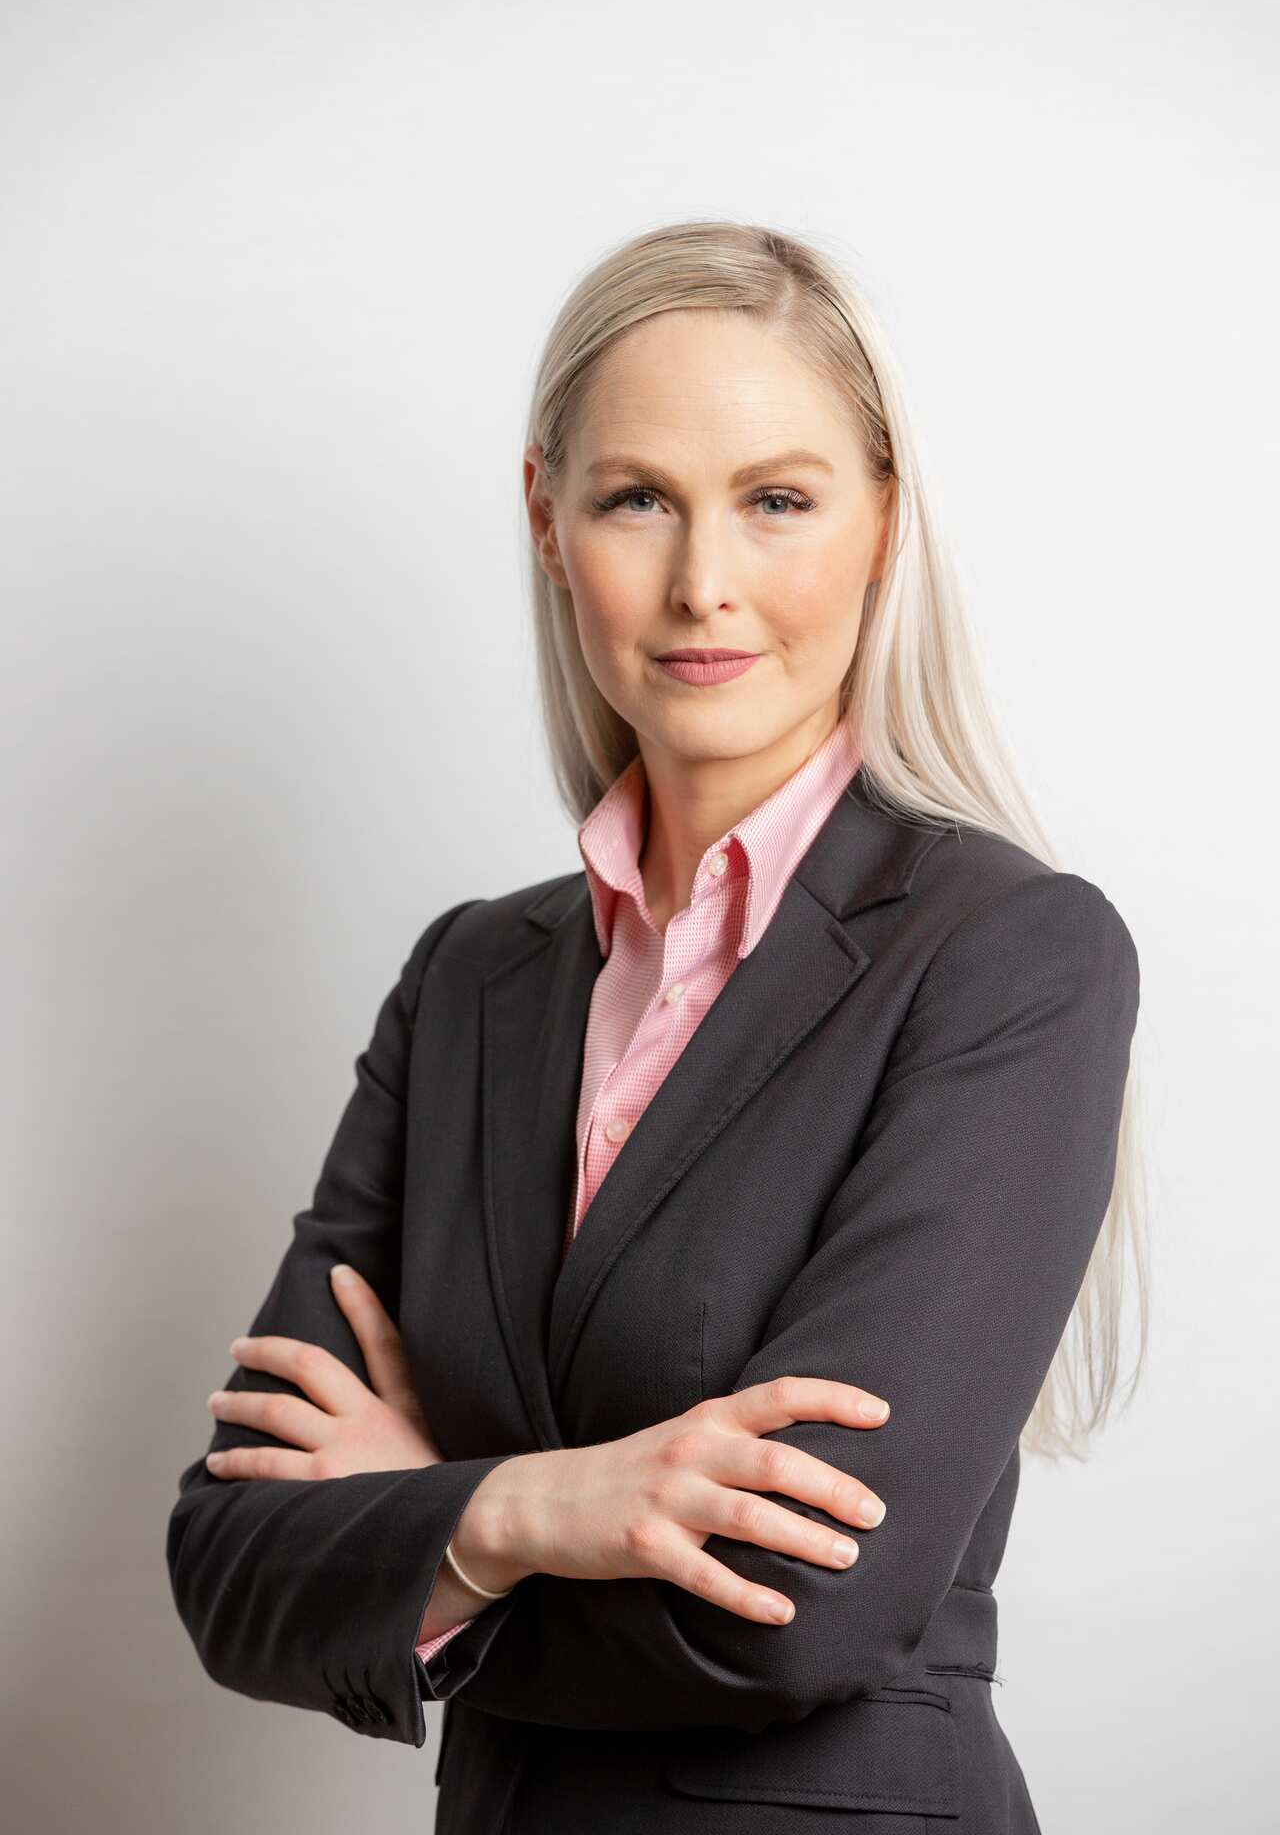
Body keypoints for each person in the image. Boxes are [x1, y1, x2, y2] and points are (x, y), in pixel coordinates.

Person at [166, 220, 1146, 1833]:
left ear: (884, 520)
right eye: (638, 500)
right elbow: (228, 1566)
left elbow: (799, 1604)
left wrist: (428, 1528)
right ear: (546, 519)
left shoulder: (1010, 956)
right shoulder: (471, 982)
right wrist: (556, 1505)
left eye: (777, 499)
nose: (705, 583)